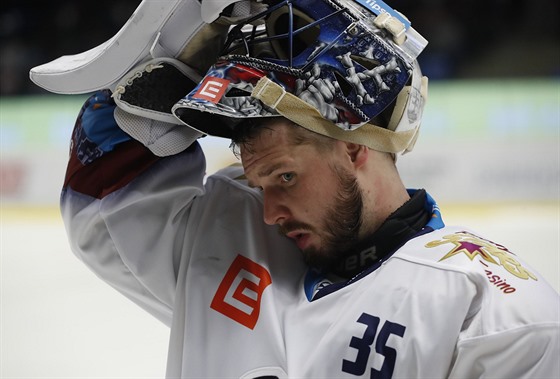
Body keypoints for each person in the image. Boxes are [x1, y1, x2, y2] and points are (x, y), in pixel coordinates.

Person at [37, 0, 560, 378]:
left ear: (354, 146)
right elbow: (104, 211)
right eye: (258, 180)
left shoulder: (487, 308)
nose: (269, 212)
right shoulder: (231, 230)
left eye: (285, 176)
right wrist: (169, 55)